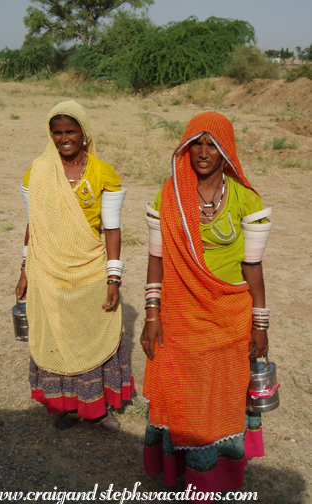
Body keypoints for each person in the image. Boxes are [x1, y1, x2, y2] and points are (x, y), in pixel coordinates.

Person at [141, 112, 272, 496]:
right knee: (182, 394)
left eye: (212, 144)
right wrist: (152, 314)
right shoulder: (170, 194)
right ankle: (183, 474)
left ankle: (215, 478)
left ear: (226, 150)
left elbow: (254, 268)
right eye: (195, 144)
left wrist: (260, 324)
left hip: (229, 317)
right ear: (184, 148)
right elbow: (156, 260)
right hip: (179, 316)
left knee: (222, 398)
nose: (203, 152)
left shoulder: (246, 200)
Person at [16, 100, 134, 432]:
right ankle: (62, 404)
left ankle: (94, 405)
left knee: (92, 332)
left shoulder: (102, 172)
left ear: (84, 132)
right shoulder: (37, 172)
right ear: (49, 135)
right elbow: (33, 224)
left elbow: (111, 228)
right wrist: (24, 268)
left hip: (90, 266)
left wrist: (114, 277)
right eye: (57, 133)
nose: (64, 138)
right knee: (56, 332)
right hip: (47, 267)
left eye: (71, 131)